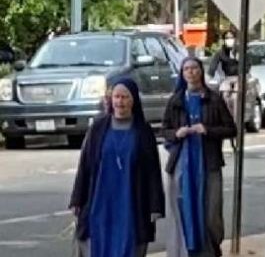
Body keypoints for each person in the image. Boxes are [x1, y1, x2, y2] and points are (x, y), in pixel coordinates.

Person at [70, 78, 165, 257]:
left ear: (133, 100)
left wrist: (155, 205)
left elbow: (152, 172)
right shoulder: (98, 128)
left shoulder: (143, 131)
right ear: (111, 100)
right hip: (101, 200)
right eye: (116, 97)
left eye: (125, 97)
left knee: (128, 244)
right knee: (99, 243)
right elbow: (85, 166)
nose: (120, 101)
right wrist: (77, 199)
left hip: (131, 200)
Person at [163, 57, 237, 257]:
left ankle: (211, 249)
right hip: (182, 162)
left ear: (201, 71)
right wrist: (177, 133)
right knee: (183, 206)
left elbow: (231, 129)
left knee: (211, 211)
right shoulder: (176, 100)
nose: (190, 72)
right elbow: (165, 131)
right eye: (186, 69)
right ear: (182, 73)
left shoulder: (213, 99)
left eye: (194, 68)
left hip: (208, 162)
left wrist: (207, 130)